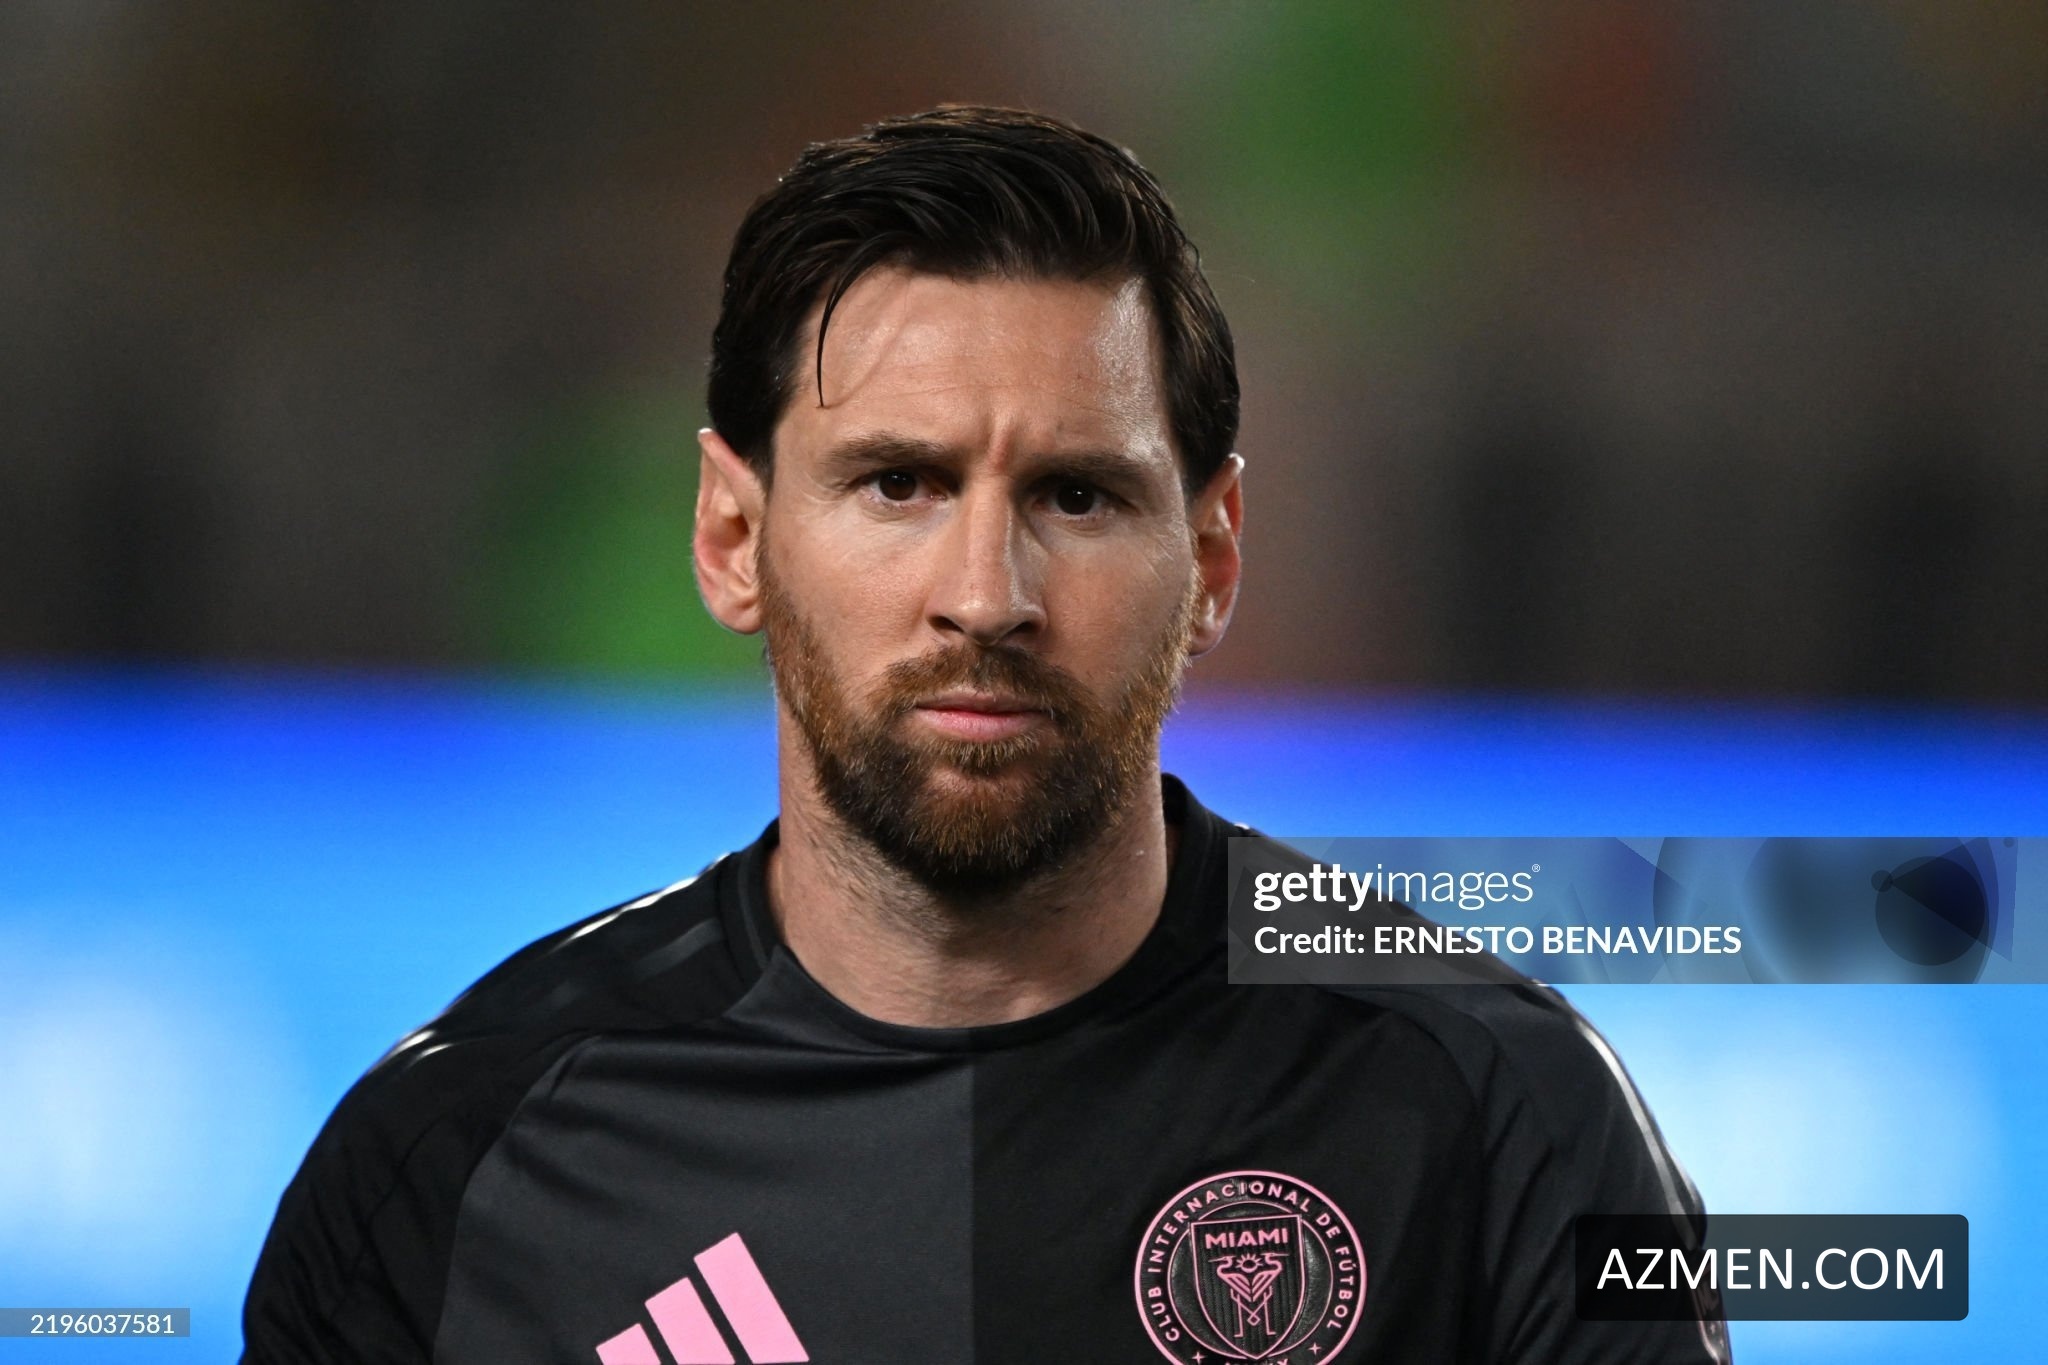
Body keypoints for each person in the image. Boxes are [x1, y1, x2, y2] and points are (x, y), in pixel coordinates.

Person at [243, 106, 1727, 1364]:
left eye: (1078, 495)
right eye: (899, 483)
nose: (986, 595)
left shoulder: (1502, 1118)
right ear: (733, 535)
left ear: (1213, 559)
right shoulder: (451, 1162)